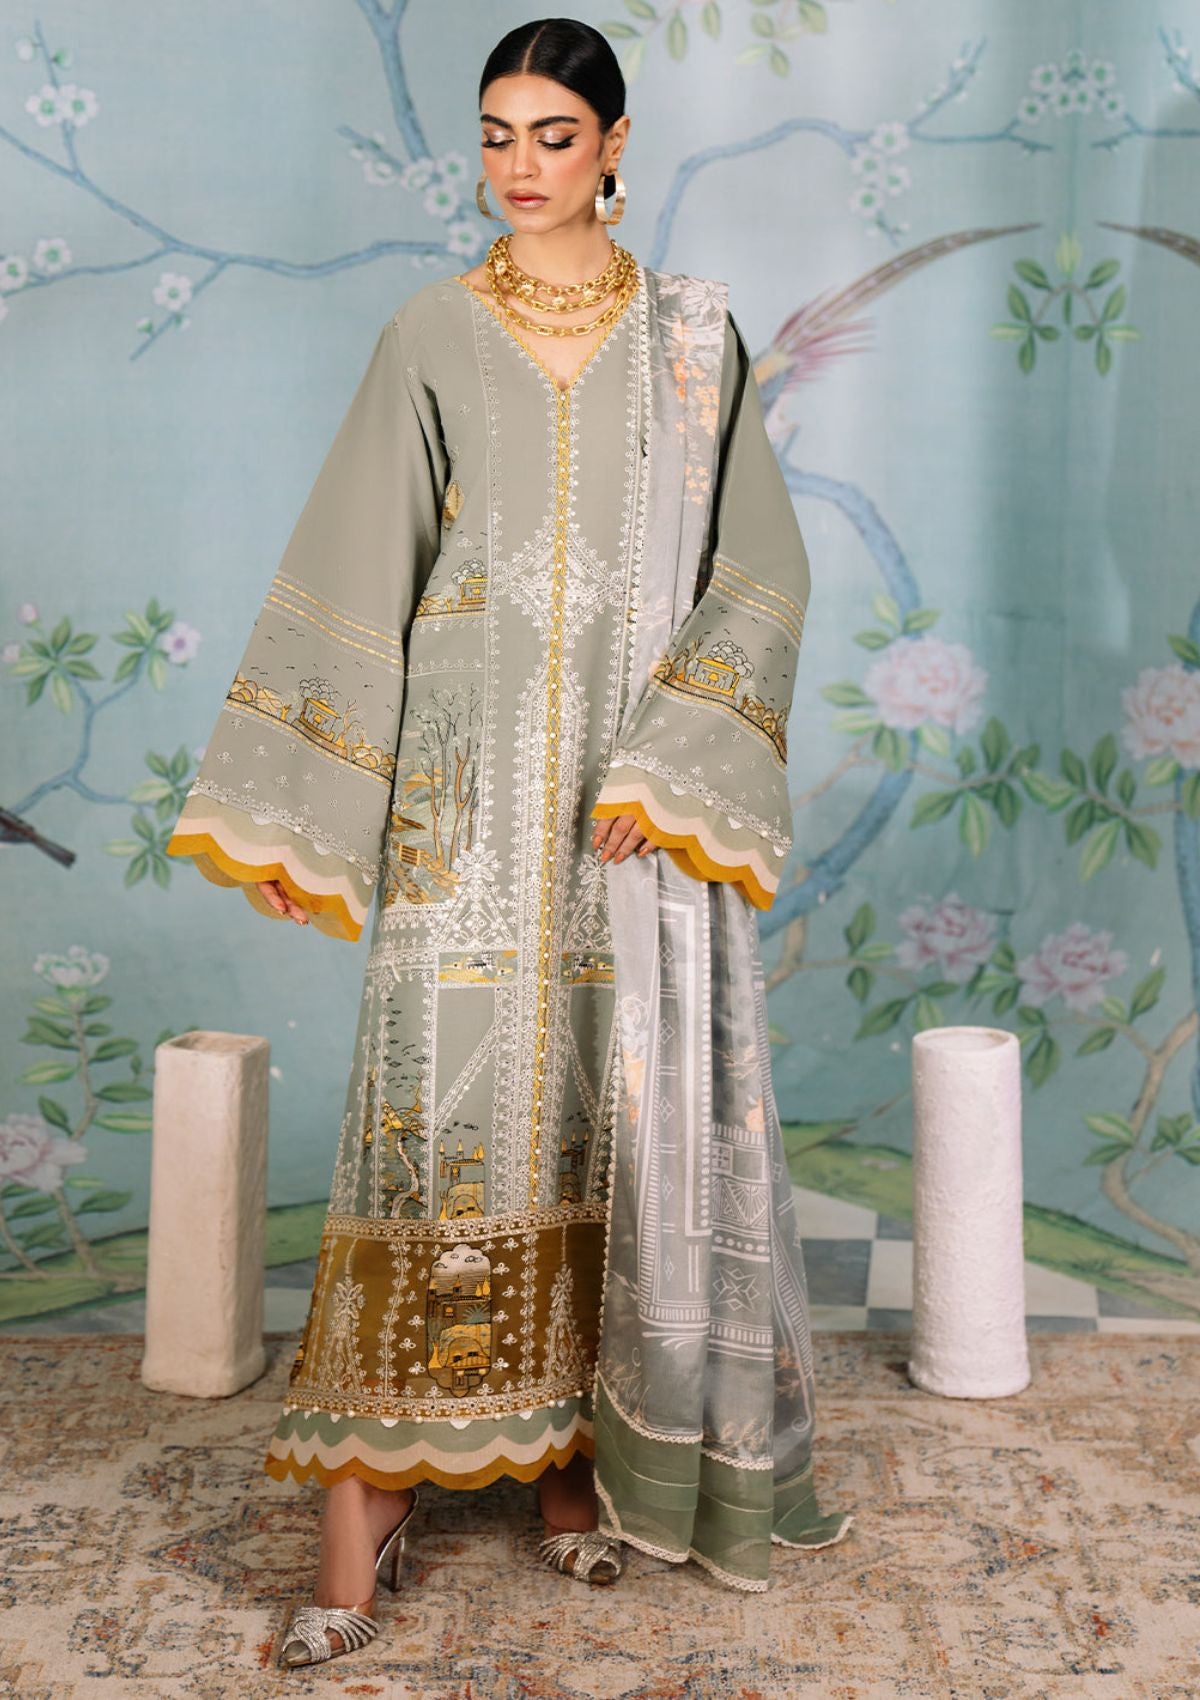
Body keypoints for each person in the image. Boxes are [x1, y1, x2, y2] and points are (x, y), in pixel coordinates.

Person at [165, 14, 854, 1671]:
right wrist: (315, 808)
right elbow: (357, 557)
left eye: (553, 133)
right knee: (433, 1137)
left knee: (601, 1128)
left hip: (628, 819)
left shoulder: (693, 342)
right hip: (461, 811)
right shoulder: (429, 332)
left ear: (614, 145)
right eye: (496, 133)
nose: (519, 164)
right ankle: (364, 1507)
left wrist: (673, 767)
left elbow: (760, 571)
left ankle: (568, 1463)